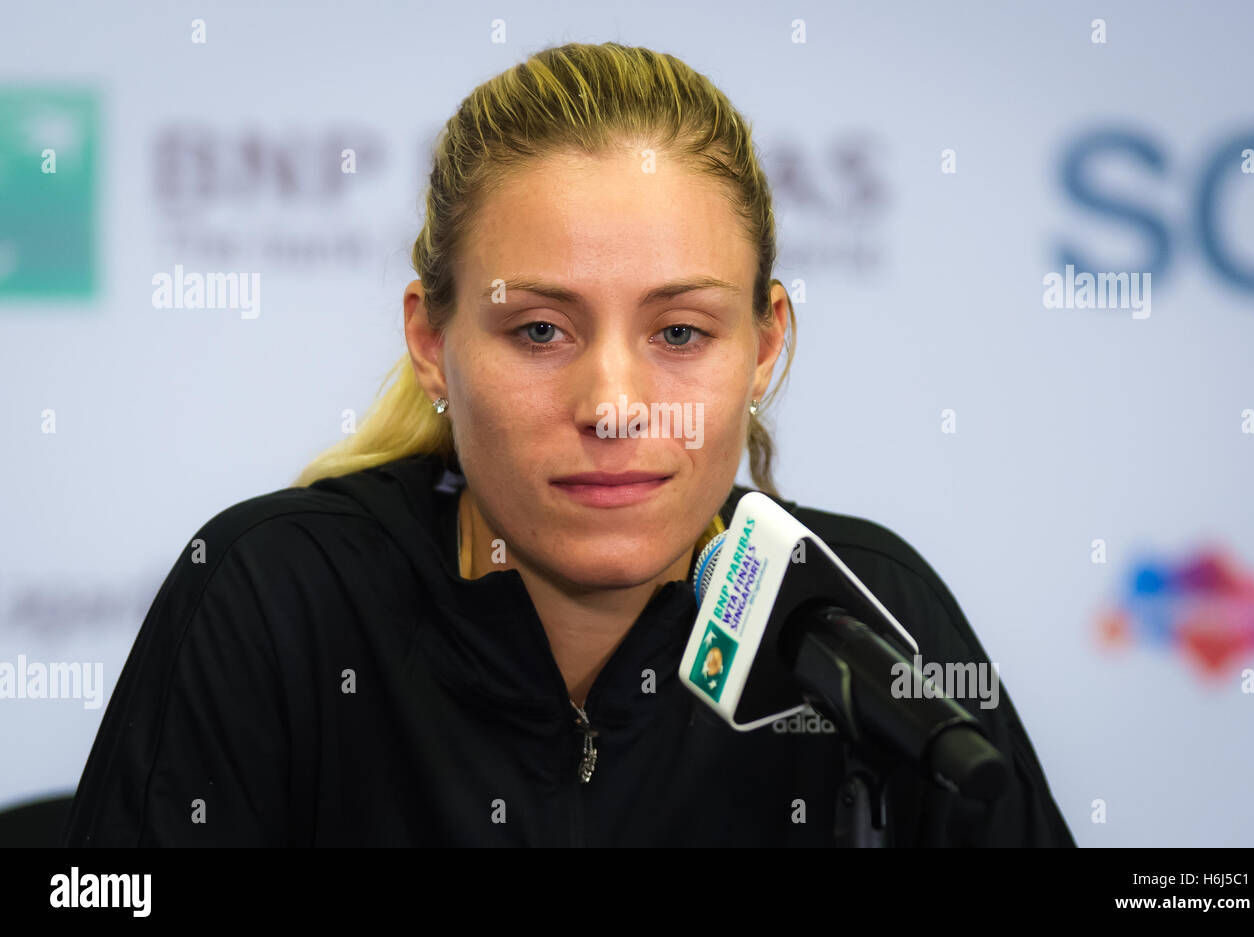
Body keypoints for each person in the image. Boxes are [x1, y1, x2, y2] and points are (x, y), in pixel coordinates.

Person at [61, 42, 1074, 847]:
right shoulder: (276, 593)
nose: (616, 406)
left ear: (763, 346)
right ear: (431, 341)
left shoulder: (869, 612)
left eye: (680, 332)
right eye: (540, 330)